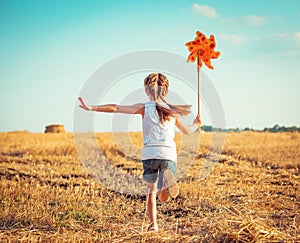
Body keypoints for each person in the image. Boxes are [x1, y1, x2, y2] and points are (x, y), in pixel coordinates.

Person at [78, 73, 201, 232]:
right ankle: (166, 184)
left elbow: (116, 108)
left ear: (146, 90)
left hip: (150, 154)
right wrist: (196, 124)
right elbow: (187, 130)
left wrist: (91, 108)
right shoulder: (172, 111)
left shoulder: (144, 108)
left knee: (151, 191)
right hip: (168, 154)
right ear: (166, 91)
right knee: (164, 197)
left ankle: (153, 225)